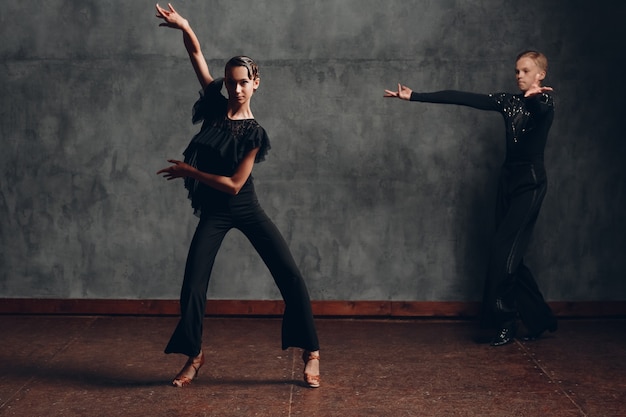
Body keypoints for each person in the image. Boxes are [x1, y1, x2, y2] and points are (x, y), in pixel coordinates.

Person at [155, 3, 320, 387]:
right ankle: (194, 356)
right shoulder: (215, 105)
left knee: (291, 277)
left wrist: (189, 171)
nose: (237, 88)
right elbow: (196, 54)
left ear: (256, 82)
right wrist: (184, 24)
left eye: (244, 82)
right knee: (193, 284)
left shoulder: (254, 133)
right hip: (215, 213)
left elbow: (233, 185)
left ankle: (311, 352)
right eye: (231, 82)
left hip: (244, 208)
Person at [384, 50, 558, 346]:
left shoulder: (544, 101)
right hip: (508, 182)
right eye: (516, 71)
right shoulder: (508, 101)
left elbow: (540, 110)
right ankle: (540, 318)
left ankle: (506, 321)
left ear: (540, 74)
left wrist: (536, 96)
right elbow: (464, 97)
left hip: (530, 183)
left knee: (503, 254)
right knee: (509, 255)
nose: (519, 75)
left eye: (525, 71)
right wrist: (416, 96)